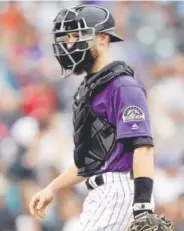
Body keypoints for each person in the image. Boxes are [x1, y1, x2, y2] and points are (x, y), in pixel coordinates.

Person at [29, 5, 173, 231]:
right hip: (101, 194)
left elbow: (143, 146)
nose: (70, 44)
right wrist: (52, 188)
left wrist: (142, 207)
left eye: (78, 36)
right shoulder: (92, 88)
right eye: (68, 38)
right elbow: (89, 161)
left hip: (121, 193)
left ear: (103, 39)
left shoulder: (123, 86)